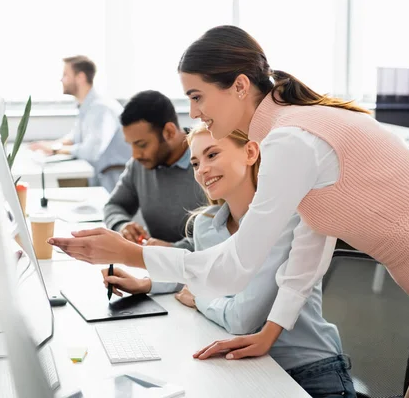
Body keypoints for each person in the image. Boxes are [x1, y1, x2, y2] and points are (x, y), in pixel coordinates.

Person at [48, 26, 409, 398]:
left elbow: (236, 268)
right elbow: (312, 240)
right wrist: (271, 331)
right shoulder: (290, 128)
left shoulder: (289, 139)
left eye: (197, 96)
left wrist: (128, 254)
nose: (194, 112)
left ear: (238, 85)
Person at [101, 124, 355, 397]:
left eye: (213, 155)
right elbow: (202, 274)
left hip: (310, 373)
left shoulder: (284, 219)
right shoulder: (206, 225)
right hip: (249, 370)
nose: (202, 170)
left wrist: (199, 299)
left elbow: (242, 319)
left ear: (250, 153)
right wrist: (147, 284)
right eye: (196, 163)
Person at [104, 90, 207, 249]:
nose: (135, 154)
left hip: (201, 266)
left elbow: (224, 234)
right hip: (157, 265)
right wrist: (121, 225)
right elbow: (114, 205)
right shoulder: (139, 164)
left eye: (142, 144)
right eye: (131, 144)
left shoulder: (208, 162)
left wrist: (172, 251)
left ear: (169, 132)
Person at [29, 55, 130, 192]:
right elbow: (74, 138)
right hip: (97, 175)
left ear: (80, 77)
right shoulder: (87, 106)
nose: (61, 79)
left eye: (65, 74)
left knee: (59, 187)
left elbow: (91, 151)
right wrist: (48, 144)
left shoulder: (101, 108)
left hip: (111, 181)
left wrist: (54, 149)